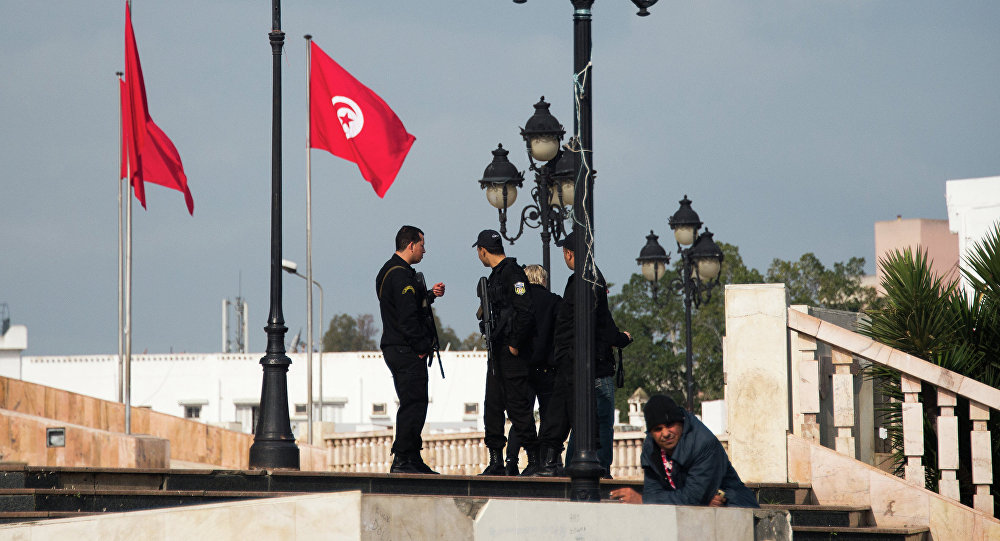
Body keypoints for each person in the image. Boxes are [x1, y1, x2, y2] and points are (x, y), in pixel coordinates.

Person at [533, 230, 632, 477]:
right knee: (583, 418)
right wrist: (622, 339)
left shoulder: (582, 280)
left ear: (569, 253)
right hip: (583, 363)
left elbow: (589, 324)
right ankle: (586, 467)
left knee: (580, 418)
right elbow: (604, 325)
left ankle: (574, 467)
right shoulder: (593, 279)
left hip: (580, 363)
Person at [375, 225, 445, 474]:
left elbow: (402, 304)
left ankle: (411, 457)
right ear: (411, 245)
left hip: (396, 347)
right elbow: (407, 317)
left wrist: (429, 295)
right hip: (405, 349)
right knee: (413, 403)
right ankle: (404, 459)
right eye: (422, 245)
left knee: (413, 401)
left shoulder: (388, 271)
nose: (424, 250)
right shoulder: (402, 275)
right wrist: (421, 347)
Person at [609, 394, 759, 507]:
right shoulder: (651, 448)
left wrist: (643, 500)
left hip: (735, 509)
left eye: (670, 425)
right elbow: (654, 492)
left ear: (681, 422)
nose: (666, 433)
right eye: (658, 429)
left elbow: (692, 498)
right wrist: (701, 501)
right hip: (690, 515)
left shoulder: (703, 444)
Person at [474, 229, 542, 476]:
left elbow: (526, 311)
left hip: (511, 353)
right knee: (492, 405)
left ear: (483, 250)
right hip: (497, 349)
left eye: (479, 252)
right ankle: (496, 461)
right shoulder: (494, 277)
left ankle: (534, 459)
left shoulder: (514, 274)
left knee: (517, 407)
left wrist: (514, 343)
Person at [504, 264, 561, 476]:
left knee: (522, 417)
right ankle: (548, 461)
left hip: (523, 367)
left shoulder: (520, 302)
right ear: (544, 279)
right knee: (549, 417)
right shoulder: (555, 301)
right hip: (547, 367)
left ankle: (512, 459)